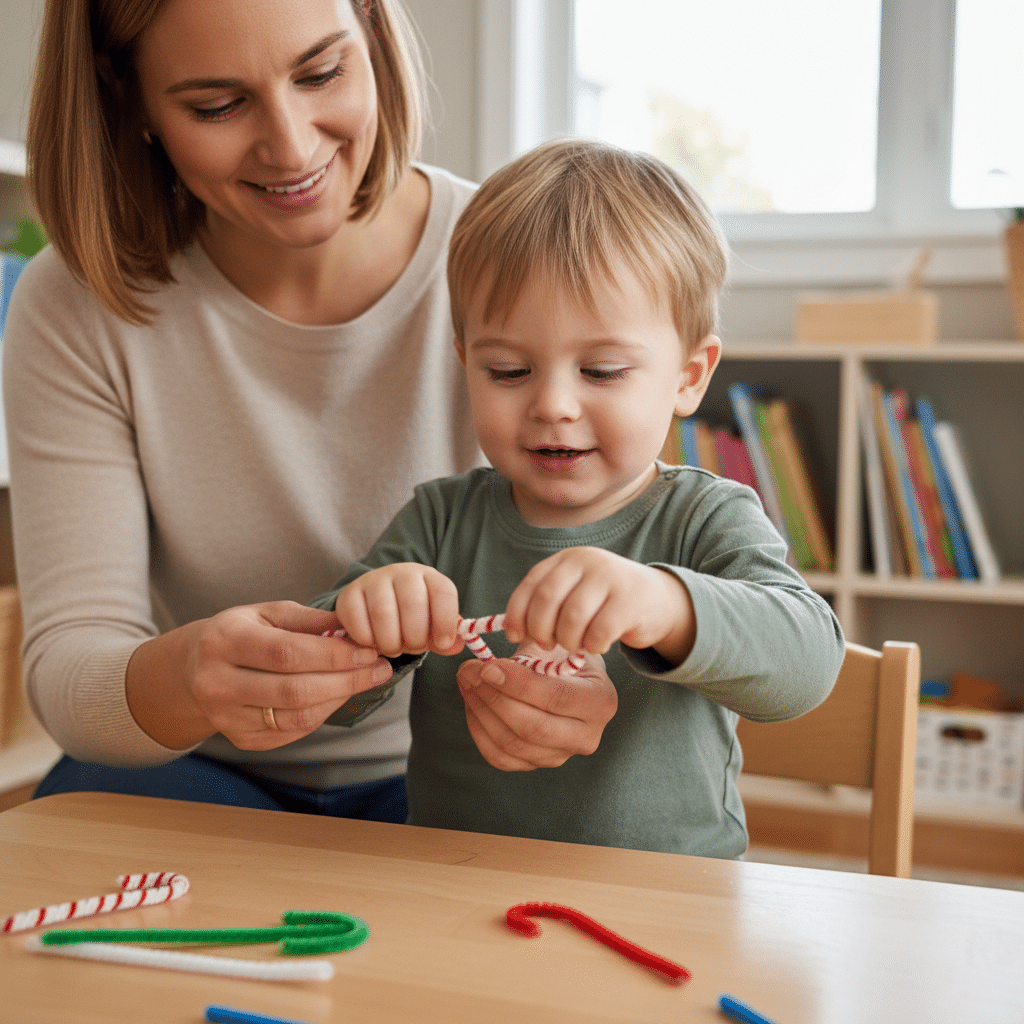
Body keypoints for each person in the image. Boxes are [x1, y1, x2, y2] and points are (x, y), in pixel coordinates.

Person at [3, 0, 617, 822]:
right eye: (216, 106)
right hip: (196, 773)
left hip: (466, 768)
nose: (292, 148)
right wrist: (186, 680)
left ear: (373, 34)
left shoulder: (518, 263)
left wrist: (589, 688)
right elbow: (72, 672)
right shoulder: (76, 306)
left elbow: (636, 564)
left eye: (322, 71)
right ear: (129, 101)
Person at [313, 138, 846, 856]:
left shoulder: (703, 518)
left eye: (601, 370)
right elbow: (322, 702)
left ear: (690, 376)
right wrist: (366, 620)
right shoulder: (440, 521)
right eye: (508, 371)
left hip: (667, 901)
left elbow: (808, 665)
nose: (554, 405)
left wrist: (663, 603)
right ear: (467, 362)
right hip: (454, 888)